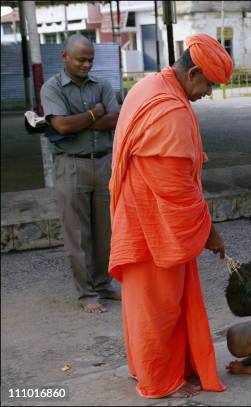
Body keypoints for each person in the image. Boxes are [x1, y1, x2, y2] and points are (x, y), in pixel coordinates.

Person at [108, 34, 233, 398]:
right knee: (158, 309)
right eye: (209, 84)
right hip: (155, 226)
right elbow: (176, 188)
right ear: (193, 72)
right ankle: (160, 382)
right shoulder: (172, 111)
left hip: (140, 216)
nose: (209, 93)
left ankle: (153, 369)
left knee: (148, 306)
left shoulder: (148, 86)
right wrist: (208, 232)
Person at [41, 34, 121, 314]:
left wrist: (83, 121)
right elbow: (61, 126)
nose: (86, 64)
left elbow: (116, 118)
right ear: (64, 56)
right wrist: (94, 114)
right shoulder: (52, 88)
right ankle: (86, 294)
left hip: (103, 163)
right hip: (71, 165)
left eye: (90, 59)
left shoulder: (102, 85)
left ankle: (103, 284)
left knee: (105, 231)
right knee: (77, 234)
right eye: (80, 59)